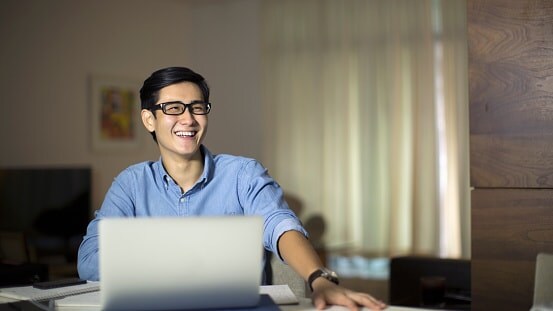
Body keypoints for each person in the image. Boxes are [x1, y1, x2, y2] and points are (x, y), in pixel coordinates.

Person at [77, 66, 386, 310]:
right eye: (173, 108)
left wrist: (320, 279)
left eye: (197, 107)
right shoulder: (131, 184)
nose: (188, 119)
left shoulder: (243, 174)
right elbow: (89, 259)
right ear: (149, 119)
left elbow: (279, 224)